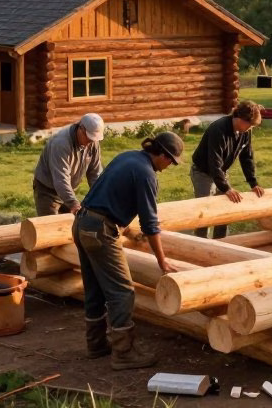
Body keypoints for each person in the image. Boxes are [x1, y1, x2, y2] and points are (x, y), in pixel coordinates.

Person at [73, 131, 184, 369]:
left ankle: (96, 345)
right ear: (162, 154)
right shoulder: (146, 174)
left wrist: (124, 228)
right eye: (171, 161)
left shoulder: (129, 157)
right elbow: (150, 224)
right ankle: (123, 353)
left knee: (94, 287)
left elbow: (112, 196)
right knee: (122, 292)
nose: (170, 166)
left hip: (82, 223)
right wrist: (162, 261)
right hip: (100, 231)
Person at [190, 100, 265, 238]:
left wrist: (253, 183)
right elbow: (214, 162)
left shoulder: (245, 132)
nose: (250, 129)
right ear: (240, 119)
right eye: (249, 125)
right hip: (203, 172)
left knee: (224, 209)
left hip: (221, 172)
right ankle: (200, 246)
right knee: (205, 211)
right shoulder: (218, 129)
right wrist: (226, 188)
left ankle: (221, 243)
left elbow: (247, 157)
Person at [32, 112, 105, 216]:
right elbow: (61, 179)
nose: (91, 142)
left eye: (93, 139)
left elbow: (95, 173)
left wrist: (100, 196)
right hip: (47, 190)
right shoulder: (61, 144)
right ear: (81, 129)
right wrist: (73, 203)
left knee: (73, 224)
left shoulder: (93, 143)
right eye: (89, 138)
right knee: (50, 227)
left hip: (67, 188)